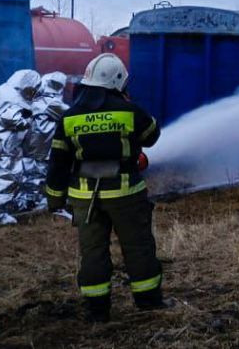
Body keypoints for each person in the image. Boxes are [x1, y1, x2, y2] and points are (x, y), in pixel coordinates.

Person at [46, 54, 163, 322]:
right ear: (118, 81)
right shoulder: (129, 111)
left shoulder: (69, 117)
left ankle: (97, 311)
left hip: (85, 199)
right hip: (125, 196)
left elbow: (58, 162)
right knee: (138, 247)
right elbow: (152, 136)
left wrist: (55, 199)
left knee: (93, 253)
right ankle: (148, 302)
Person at [0, 69, 41, 226]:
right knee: (8, 176)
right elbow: (11, 119)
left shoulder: (0, 91)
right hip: (5, 144)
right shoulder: (13, 97)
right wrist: (27, 122)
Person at [22, 71, 69, 212]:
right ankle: (36, 204)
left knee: (32, 173)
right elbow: (70, 114)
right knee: (39, 173)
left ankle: (31, 201)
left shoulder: (36, 99)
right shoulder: (49, 101)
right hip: (42, 144)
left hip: (33, 142)